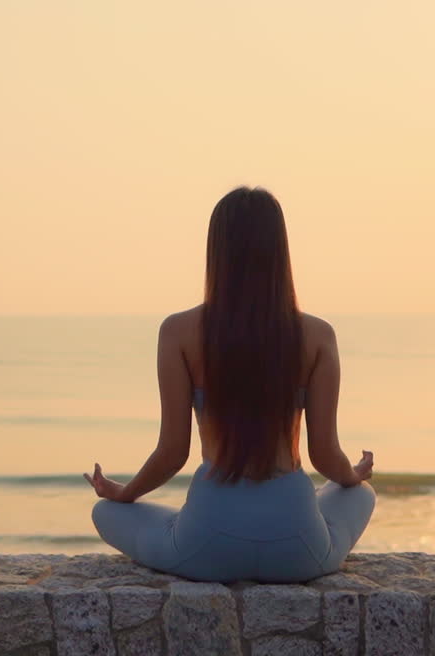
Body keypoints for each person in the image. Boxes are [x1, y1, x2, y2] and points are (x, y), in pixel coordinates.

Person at [83, 186, 375, 583]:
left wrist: (125, 492)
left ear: (216, 250)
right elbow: (324, 456)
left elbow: (172, 453)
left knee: (106, 512)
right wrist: (353, 475)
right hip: (297, 550)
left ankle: (190, 528)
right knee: (359, 494)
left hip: (206, 544)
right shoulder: (318, 336)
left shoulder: (178, 332)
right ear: (280, 251)